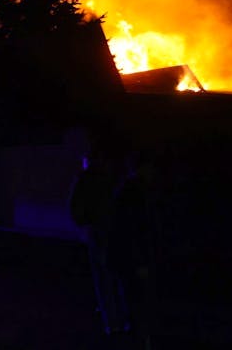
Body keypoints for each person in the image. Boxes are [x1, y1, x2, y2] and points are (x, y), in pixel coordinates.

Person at [69, 149, 127, 336]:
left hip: (98, 231)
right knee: (116, 275)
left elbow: (76, 209)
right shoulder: (112, 178)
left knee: (104, 278)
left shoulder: (86, 180)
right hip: (113, 230)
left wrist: (86, 222)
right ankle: (123, 319)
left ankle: (112, 321)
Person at [108, 150, 159, 349]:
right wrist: (140, 261)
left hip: (129, 259)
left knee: (135, 303)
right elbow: (134, 229)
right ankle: (140, 341)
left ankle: (139, 339)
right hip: (133, 261)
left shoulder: (129, 191)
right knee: (139, 304)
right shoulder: (134, 192)